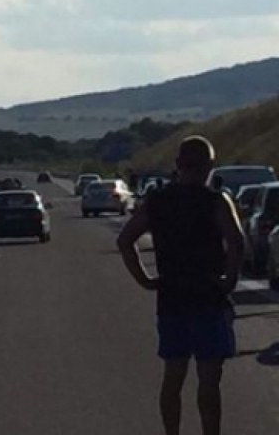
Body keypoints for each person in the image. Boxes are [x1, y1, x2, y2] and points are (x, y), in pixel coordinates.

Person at [117, 136, 244, 435]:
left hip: (172, 299)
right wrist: (230, 279)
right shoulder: (215, 200)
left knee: (173, 379)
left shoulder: (158, 201)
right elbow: (236, 241)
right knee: (209, 381)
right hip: (209, 299)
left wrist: (145, 280)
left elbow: (125, 241)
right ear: (210, 166)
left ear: (177, 166)